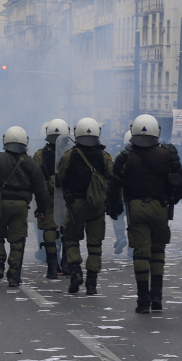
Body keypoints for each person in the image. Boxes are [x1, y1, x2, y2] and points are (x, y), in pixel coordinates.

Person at [106, 114, 182, 313]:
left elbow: (113, 186)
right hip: (160, 208)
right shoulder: (168, 153)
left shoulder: (125, 156)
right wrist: (173, 200)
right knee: (158, 251)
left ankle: (143, 301)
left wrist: (114, 208)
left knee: (141, 253)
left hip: (136, 209)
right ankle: (157, 296)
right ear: (156, 130)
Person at [0, 127, 49, 287]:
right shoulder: (30, 163)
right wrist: (41, 209)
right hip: (20, 206)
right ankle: (14, 275)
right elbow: (41, 189)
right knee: (17, 240)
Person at [57, 118, 114, 296]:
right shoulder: (104, 156)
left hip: (76, 204)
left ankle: (75, 272)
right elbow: (112, 178)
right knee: (95, 244)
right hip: (96, 207)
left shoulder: (69, 155)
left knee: (72, 239)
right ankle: (92, 283)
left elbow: (61, 178)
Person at [33, 119, 68, 279]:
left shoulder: (39, 155)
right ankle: (67, 264)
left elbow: (35, 179)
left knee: (49, 230)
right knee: (67, 229)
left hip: (47, 197)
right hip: (66, 197)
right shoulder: (70, 154)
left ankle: (52, 267)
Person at [111, 132, 131, 256]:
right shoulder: (141, 156)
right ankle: (132, 247)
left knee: (117, 217)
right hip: (134, 195)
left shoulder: (117, 156)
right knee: (133, 220)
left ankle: (120, 236)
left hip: (119, 194)